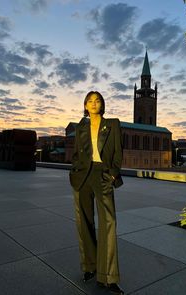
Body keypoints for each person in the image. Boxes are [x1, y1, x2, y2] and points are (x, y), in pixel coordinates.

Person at [69, 91, 124, 294]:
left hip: (103, 174)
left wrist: (112, 174)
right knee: (84, 222)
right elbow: (76, 153)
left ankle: (108, 277)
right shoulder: (80, 126)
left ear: (102, 104)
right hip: (82, 176)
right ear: (85, 105)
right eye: (90, 101)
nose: (94, 103)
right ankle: (90, 267)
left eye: (97, 100)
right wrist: (74, 170)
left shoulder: (113, 124)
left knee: (108, 222)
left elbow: (118, 152)